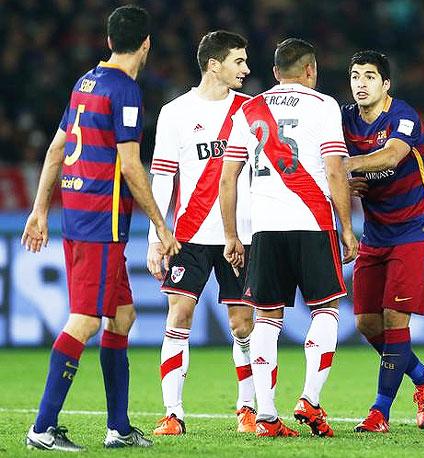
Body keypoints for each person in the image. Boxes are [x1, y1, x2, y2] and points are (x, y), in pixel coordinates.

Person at [21, 5, 180, 451]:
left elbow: (56, 148)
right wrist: (162, 227)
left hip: (78, 217)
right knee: (85, 321)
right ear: (145, 43)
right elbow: (131, 166)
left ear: (110, 41)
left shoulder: (83, 83)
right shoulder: (125, 91)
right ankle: (42, 427)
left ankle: (119, 427)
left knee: (122, 316)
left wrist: (39, 210)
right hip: (100, 223)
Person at [220, 38, 357, 438]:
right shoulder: (324, 105)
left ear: (276, 72)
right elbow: (335, 170)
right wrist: (347, 228)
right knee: (326, 310)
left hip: (264, 227)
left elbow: (228, 177)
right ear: (311, 71)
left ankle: (265, 414)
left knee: (266, 318)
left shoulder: (250, 109)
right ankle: (310, 400)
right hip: (313, 222)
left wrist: (232, 235)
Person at [146, 30, 257, 436]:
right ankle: (172, 413)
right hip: (188, 235)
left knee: (243, 324)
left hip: (239, 236)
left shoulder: (251, 111)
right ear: (214, 64)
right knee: (179, 315)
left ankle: (247, 406)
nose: (246, 69)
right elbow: (161, 178)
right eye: (238, 61)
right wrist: (155, 238)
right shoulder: (175, 112)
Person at [341, 50, 424, 433]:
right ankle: (423, 377)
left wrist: (345, 166)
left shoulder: (403, 115)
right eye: (355, 76)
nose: (361, 83)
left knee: (394, 319)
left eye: (370, 76)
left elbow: (393, 154)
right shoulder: (345, 119)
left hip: (415, 229)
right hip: (376, 233)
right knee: (368, 323)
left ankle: (379, 412)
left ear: (386, 85)